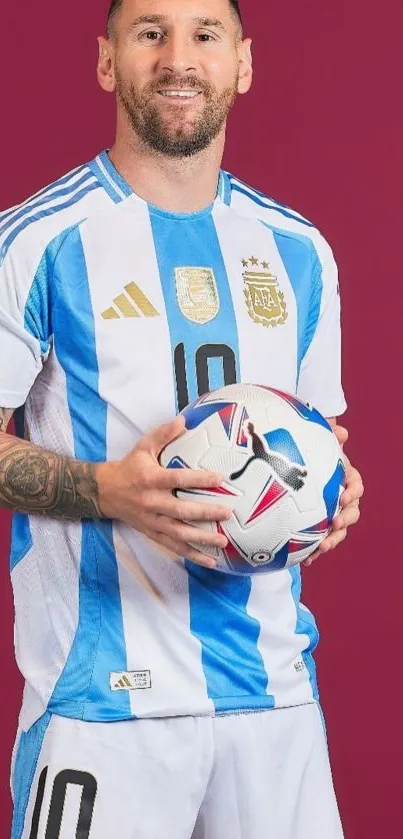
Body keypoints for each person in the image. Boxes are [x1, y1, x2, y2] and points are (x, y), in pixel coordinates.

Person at [0, 0, 363, 836]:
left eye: (205, 34)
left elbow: (318, 441)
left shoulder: (298, 249)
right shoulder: (40, 242)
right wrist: (104, 489)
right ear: (106, 62)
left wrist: (333, 489)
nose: (178, 57)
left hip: (273, 699)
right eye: (150, 32)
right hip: (101, 705)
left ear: (242, 62)